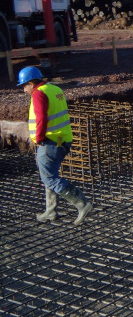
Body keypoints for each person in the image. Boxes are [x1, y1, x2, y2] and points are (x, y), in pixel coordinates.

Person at [19, 66, 93, 225]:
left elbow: (41, 119)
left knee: (50, 178)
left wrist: (38, 138)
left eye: (24, 86)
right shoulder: (54, 89)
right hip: (62, 139)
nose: (24, 90)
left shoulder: (39, 94)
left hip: (49, 142)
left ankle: (83, 204)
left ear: (32, 83)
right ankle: (51, 211)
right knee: (49, 175)